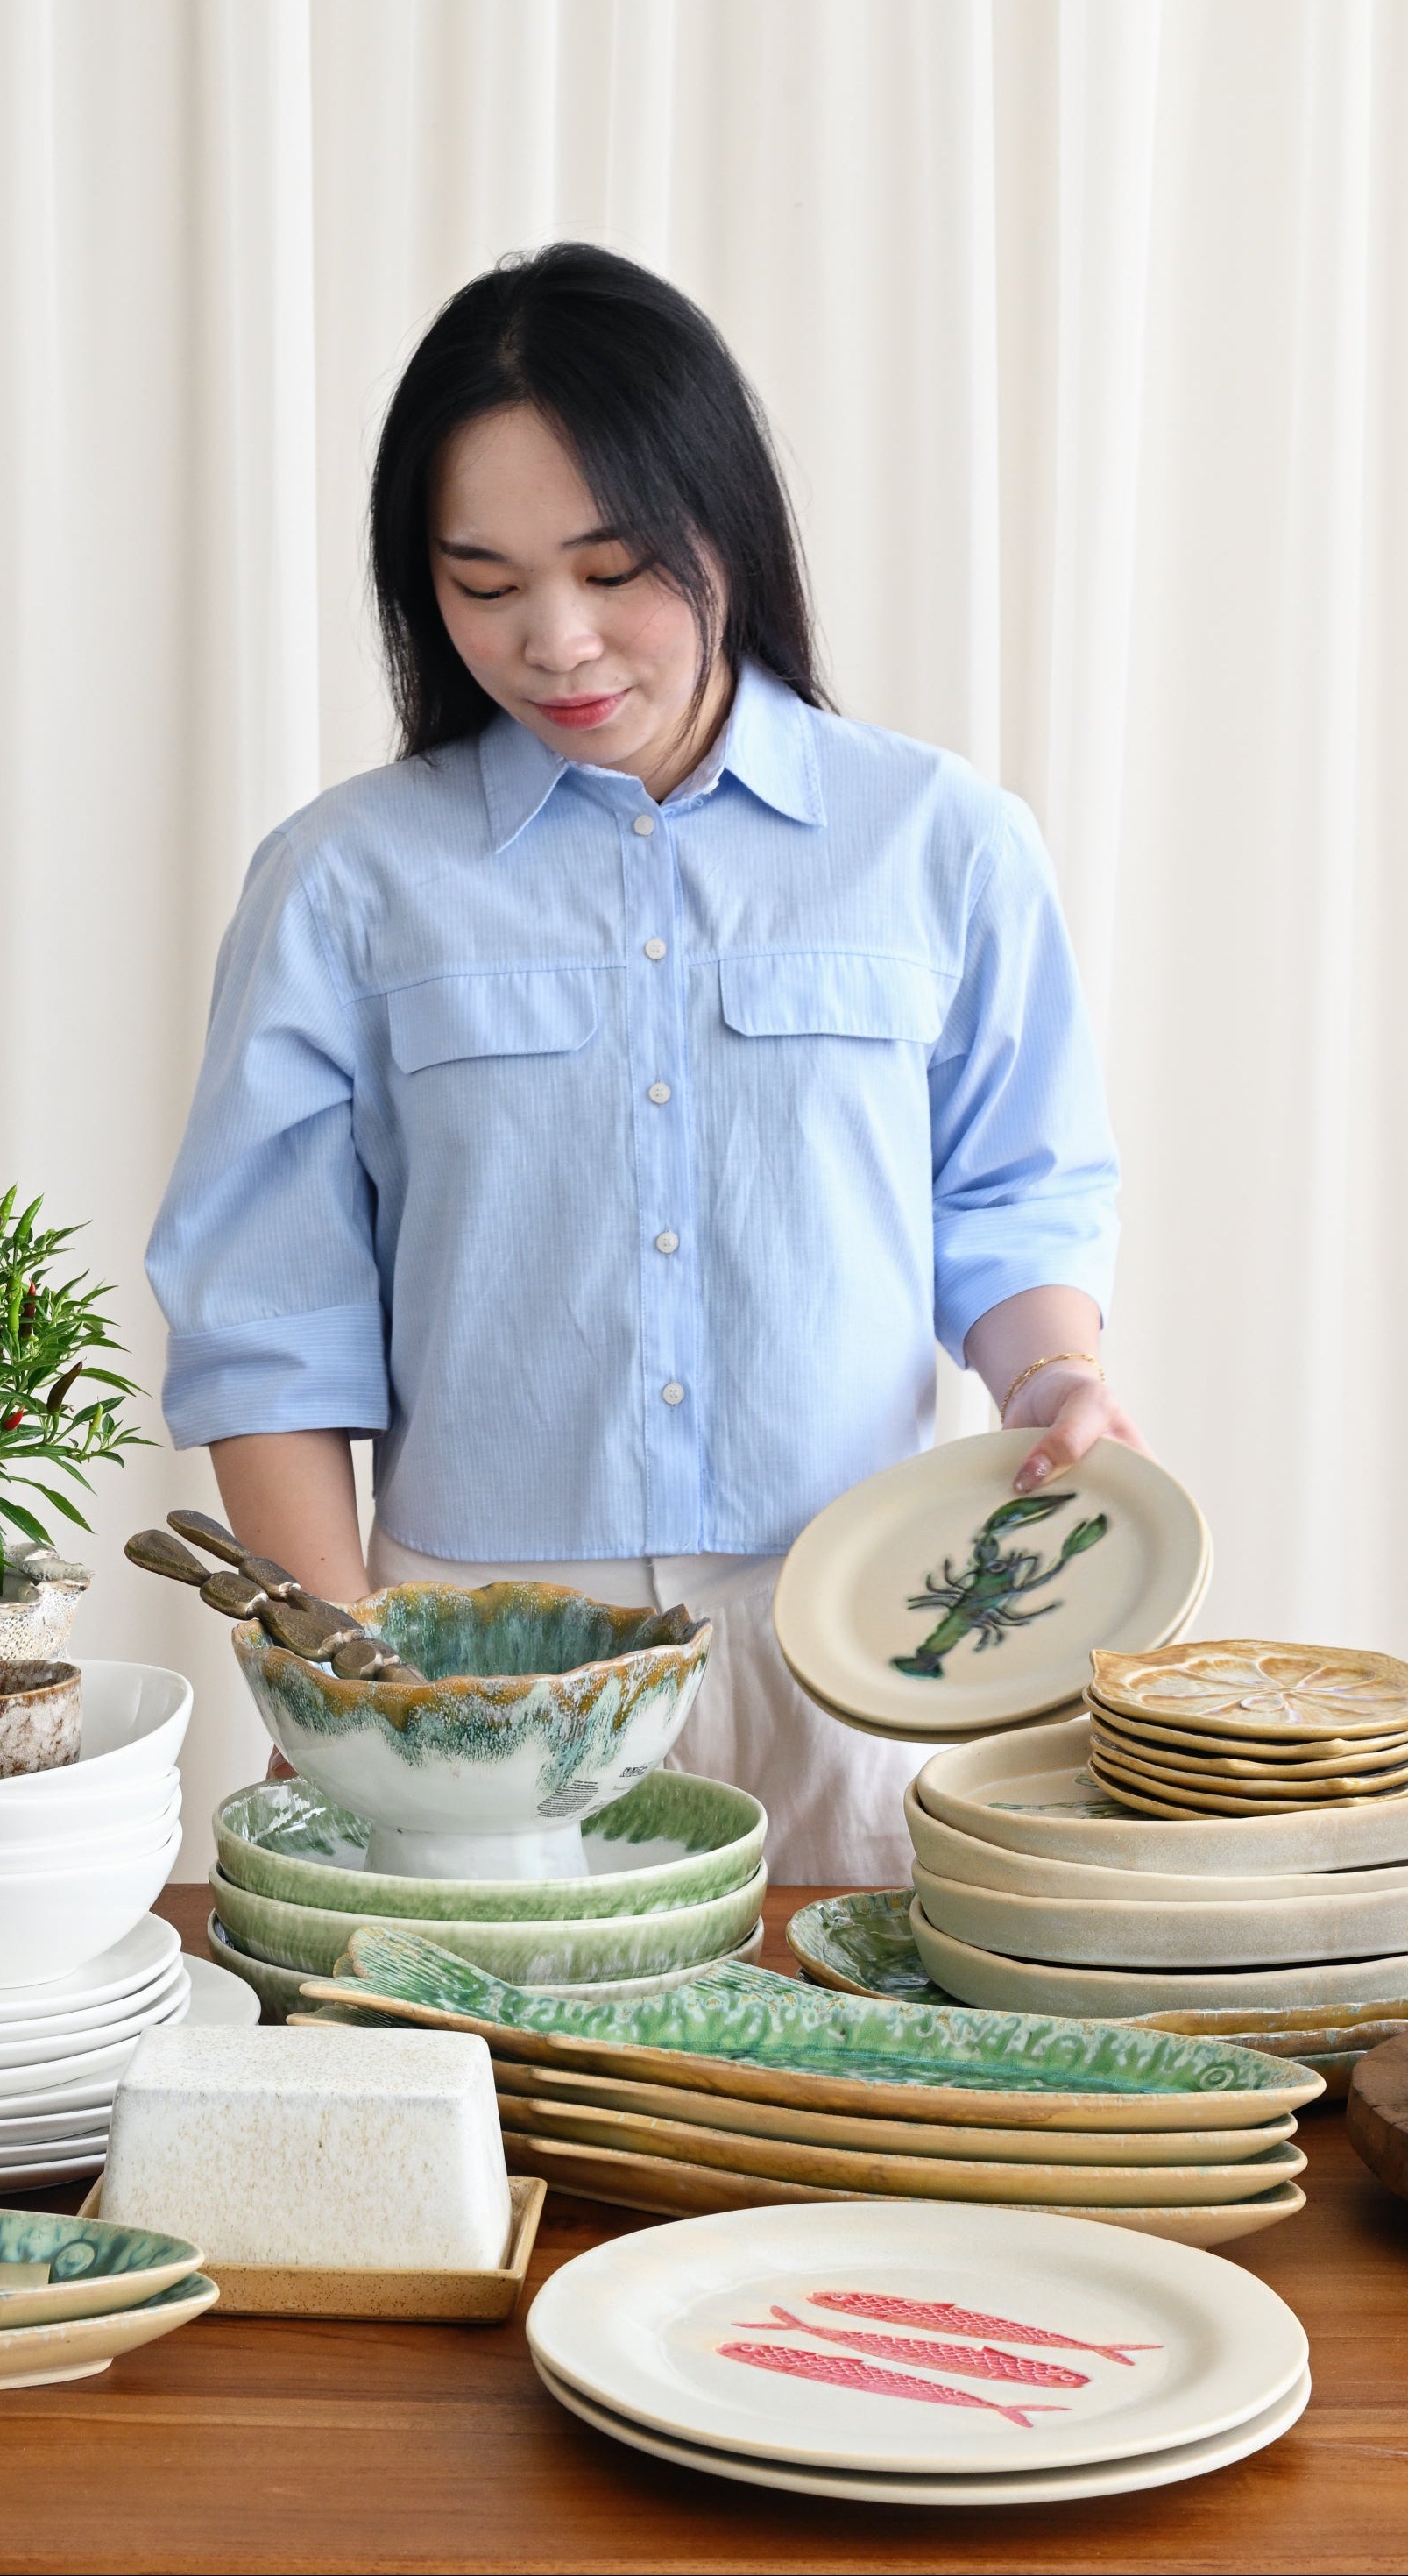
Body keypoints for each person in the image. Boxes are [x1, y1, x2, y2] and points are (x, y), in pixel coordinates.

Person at [145, 244, 1136, 1880]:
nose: (556, 641)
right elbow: (269, 1322)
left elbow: (1017, 1207)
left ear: (724, 527)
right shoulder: (344, 879)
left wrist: (1054, 1383)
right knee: (500, 2096)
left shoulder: (940, 843)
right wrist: (338, 1673)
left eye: (614, 568)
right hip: (476, 1656)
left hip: (871, 1642)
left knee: (854, 2103)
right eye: (483, 581)